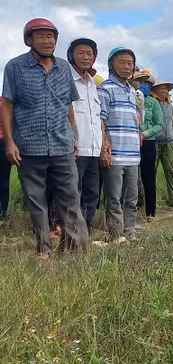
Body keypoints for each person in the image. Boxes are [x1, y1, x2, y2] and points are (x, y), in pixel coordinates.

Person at [0, 18, 90, 257]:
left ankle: (74, 249)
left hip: (62, 144)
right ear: (29, 40)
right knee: (36, 201)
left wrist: (74, 139)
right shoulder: (15, 67)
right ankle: (44, 248)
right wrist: (9, 141)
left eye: (51, 36)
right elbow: (7, 105)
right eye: (41, 36)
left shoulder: (63, 68)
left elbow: (68, 106)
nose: (48, 40)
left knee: (71, 199)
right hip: (28, 145)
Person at [98, 46, 141, 243]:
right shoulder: (105, 88)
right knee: (114, 198)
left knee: (132, 198)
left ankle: (129, 233)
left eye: (130, 63)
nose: (126, 67)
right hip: (115, 154)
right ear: (112, 65)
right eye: (122, 62)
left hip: (132, 155)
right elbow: (101, 121)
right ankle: (116, 235)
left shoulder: (132, 91)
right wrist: (105, 148)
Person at [67, 38, 104, 234]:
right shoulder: (66, 79)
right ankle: (69, 234)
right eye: (80, 52)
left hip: (93, 148)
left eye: (89, 53)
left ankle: (86, 232)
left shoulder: (92, 85)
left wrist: (103, 145)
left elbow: (97, 118)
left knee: (92, 194)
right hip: (75, 148)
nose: (85, 57)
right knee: (73, 193)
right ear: (72, 55)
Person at [133, 71, 164, 222]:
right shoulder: (130, 98)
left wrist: (146, 133)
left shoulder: (154, 103)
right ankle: (130, 212)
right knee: (129, 177)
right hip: (130, 142)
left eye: (147, 83)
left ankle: (150, 213)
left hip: (148, 142)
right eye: (141, 82)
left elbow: (160, 125)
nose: (144, 86)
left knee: (148, 178)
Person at [154, 80, 173, 206]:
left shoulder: (170, 106)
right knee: (152, 173)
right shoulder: (152, 103)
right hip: (154, 141)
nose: (164, 91)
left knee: (171, 171)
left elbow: (172, 123)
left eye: (166, 89)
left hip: (169, 142)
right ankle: (153, 201)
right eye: (161, 88)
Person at [0, 99, 11, 221]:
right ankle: (3, 214)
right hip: (5, 142)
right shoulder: (7, 103)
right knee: (4, 181)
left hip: (3, 142)